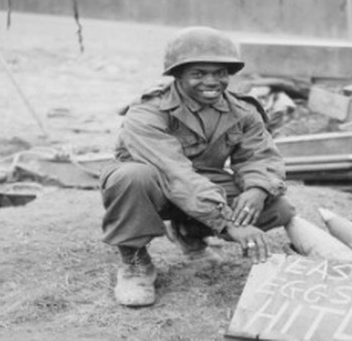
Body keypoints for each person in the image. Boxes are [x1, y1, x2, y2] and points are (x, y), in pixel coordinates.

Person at [100, 26, 295, 307]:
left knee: (278, 208)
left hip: (200, 187)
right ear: (177, 76)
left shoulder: (242, 111)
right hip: (155, 185)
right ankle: (134, 262)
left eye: (220, 73)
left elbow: (260, 156)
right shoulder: (147, 112)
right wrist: (227, 222)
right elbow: (173, 172)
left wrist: (258, 188)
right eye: (199, 74)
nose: (212, 81)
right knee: (130, 177)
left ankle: (189, 232)